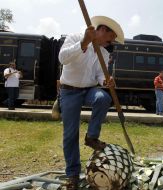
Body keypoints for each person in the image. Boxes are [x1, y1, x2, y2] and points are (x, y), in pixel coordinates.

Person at [58, 16, 124, 189]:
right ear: (102, 30)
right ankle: (72, 175)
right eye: (110, 38)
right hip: (69, 90)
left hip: (88, 90)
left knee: (103, 98)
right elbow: (62, 58)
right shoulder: (74, 37)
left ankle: (91, 137)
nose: (111, 42)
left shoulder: (104, 52)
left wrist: (105, 81)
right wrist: (83, 43)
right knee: (70, 134)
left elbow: (99, 75)